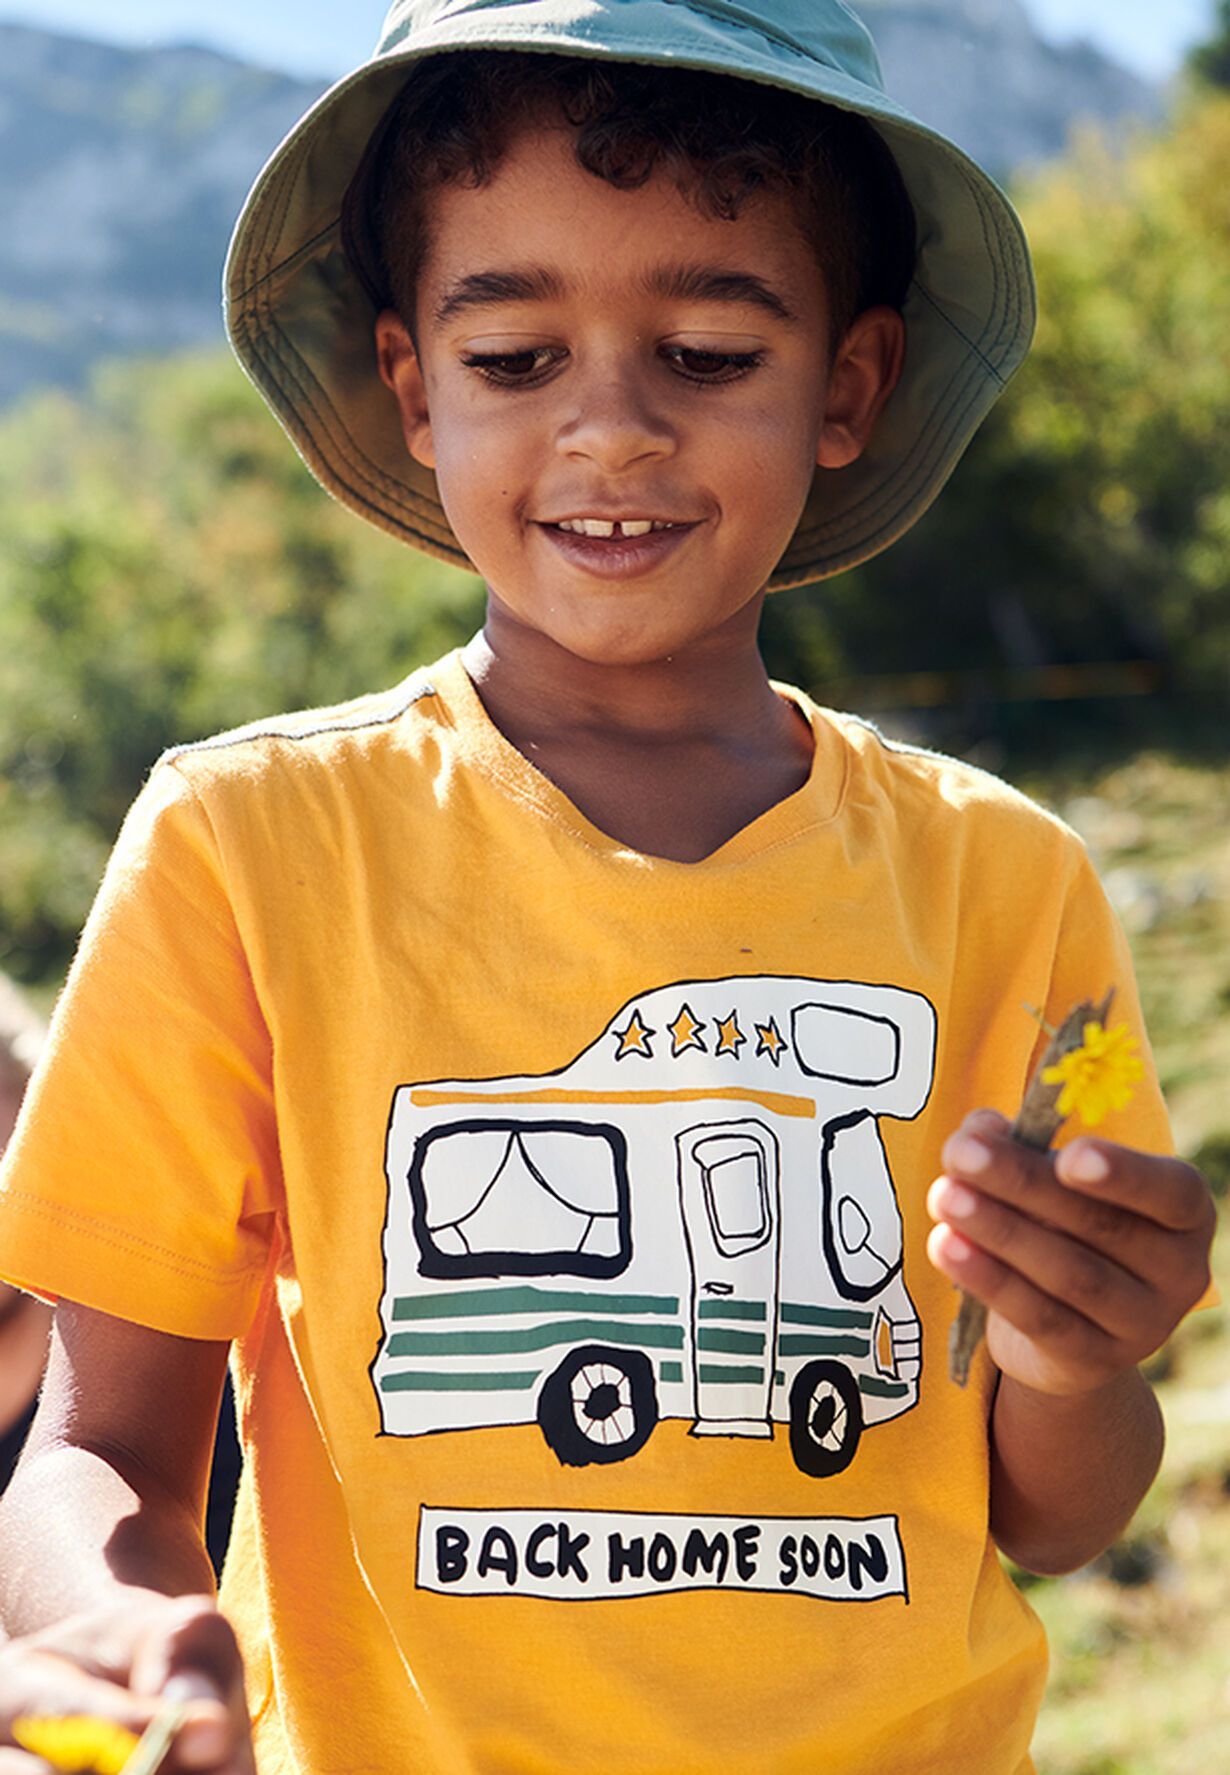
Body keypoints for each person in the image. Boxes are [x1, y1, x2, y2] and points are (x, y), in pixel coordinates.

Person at [0, 3, 1215, 1771]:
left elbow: (1056, 1513)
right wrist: (112, 1621)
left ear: (849, 388)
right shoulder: (249, 845)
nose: (612, 431)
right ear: (415, 391)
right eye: (512, 362)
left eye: (711, 352)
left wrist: (1078, 1347)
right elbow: (100, 1445)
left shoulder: (1005, 882)